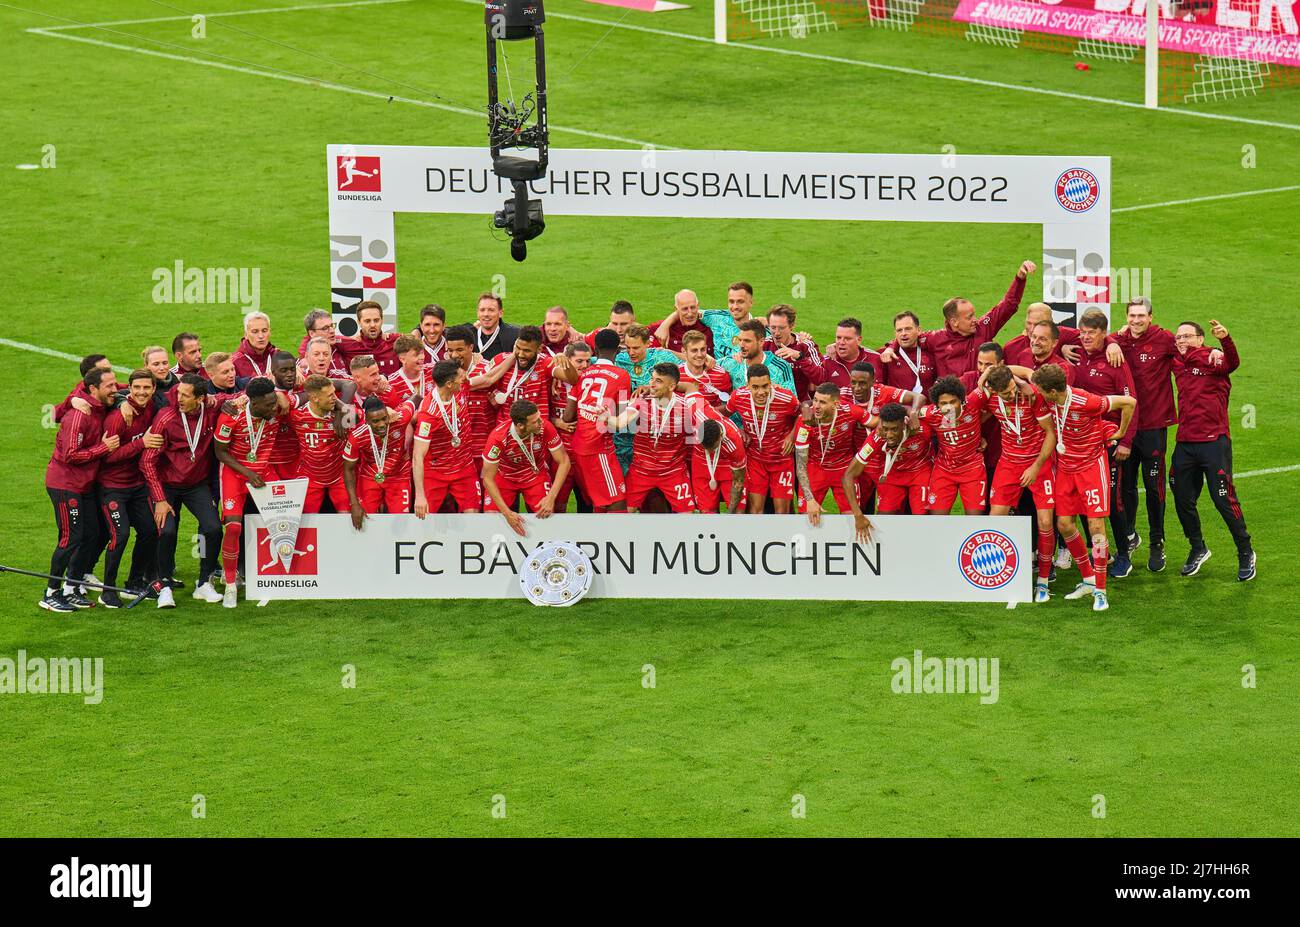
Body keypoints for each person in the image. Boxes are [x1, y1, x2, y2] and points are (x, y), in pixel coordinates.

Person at [1030, 363, 1136, 612]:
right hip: (1066, 468)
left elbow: (1128, 402)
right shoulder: (1051, 399)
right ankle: (1088, 578)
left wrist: (1120, 431)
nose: (1040, 396)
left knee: (1096, 526)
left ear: (1053, 391)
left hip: (1090, 467)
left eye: (1043, 392)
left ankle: (1101, 589)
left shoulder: (1087, 401)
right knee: (1064, 524)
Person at [1169, 320, 1254, 581]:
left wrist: (1225, 340)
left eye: (1187, 336)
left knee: (1223, 500)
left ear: (1200, 338)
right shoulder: (1176, 361)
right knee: (1181, 496)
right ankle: (1198, 548)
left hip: (1214, 442)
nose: (1181, 340)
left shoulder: (1211, 357)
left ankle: (1245, 551)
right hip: (1185, 442)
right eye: (1178, 337)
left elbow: (1232, 363)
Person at [975, 365, 1058, 603]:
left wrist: (1036, 466)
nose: (1012, 396)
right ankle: (999, 574)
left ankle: (1043, 580)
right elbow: (971, 414)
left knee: (1044, 521)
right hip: (1009, 464)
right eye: (1006, 394)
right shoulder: (989, 399)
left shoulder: (1031, 395)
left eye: (1012, 389)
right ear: (994, 391)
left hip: (1038, 462)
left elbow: (1050, 433)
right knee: (995, 517)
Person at [141, 374, 225, 607]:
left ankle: (204, 582)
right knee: (166, 532)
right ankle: (165, 585)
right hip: (167, 486)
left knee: (213, 528)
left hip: (196, 485)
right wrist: (159, 498)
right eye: (178, 393)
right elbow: (147, 461)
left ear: (200, 398)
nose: (178, 398)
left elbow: (235, 397)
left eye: (185, 395)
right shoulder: (166, 417)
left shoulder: (211, 408)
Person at [41, 367, 120, 612]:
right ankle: (51, 592)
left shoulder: (99, 406)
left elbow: (131, 392)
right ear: (93, 389)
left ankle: (71, 587)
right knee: (70, 537)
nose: (115, 390)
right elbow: (70, 455)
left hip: (84, 484)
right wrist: (103, 448)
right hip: (66, 485)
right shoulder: (79, 415)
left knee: (91, 534)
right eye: (110, 386)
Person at [880, 260, 1035, 378]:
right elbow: (908, 337)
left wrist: (1020, 277)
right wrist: (890, 347)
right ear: (954, 322)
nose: (975, 319)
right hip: (949, 405)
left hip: (981, 401)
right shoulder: (935, 339)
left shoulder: (983, 328)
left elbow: (1008, 306)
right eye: (969, 317)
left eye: (974, 314)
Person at [1113, 296, 1178, 572]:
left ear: (1151, 317)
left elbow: (1188, 349)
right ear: (1126, 317)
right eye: (1132, 316)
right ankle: (1129, 536)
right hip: (1126, 426)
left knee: (1154, 487)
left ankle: (1157, 541)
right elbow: (1084, 334)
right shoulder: (1116, 339)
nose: (1136, 320)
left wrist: (1212, 351)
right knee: (1125, 486)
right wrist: (1112, 341)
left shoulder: (1165, 339)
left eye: (1141, 316)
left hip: (1153, 426)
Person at [213, 378, 288, 609]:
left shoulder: (277, 409)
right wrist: (247, 472)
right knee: (234, 527)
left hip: (264, 471)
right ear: (253, 403)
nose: (274, 408)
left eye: (274, 402)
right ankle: (230, 585)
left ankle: (280, 579)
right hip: (236, 473)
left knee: (284, 518)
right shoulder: (231, 415)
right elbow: (220, 452)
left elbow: (307, 395)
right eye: (268, 405)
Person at [1075, 309, 1140, 577]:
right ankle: (1099, 550)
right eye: (1083, 332)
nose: (1086, 337)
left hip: (1108, 440)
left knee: (1112, 502)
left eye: (1092, 332)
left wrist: (1125, 441)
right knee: (1081, 500)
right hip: (1080, 440)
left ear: (1104, 333)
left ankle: (1124, 553)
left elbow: (1131, 402)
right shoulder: (1075, 352)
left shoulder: (1115, 361)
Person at [96, 369, 165, 607]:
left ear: (154, 389)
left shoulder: (153, 408)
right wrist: (140, 443)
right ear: (130, 389)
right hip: (113, 487)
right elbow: (107, 458)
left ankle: (134, 581)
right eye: (137, 388)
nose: (142, 392)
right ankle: (107, 589)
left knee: (150, 530)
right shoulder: (118, 417)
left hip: (137, 486)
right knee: (121, 534)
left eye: (147, 388)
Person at [561, 329, 630, 512]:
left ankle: (598, 539)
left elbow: (567, 417)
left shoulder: (583, 374)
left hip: (578, 446)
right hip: (599, 449)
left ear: (595, 350)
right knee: (618, 501)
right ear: (618, 350)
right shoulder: (622, 376)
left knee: (600, 502)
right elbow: (624, 423)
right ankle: (615, 541)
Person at [616, 363, 698, 513]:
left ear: (672, 386)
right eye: (652, 379)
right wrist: (605, 417)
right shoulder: (642, 401)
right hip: (641, 470)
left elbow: (701, 430)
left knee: (688, 514)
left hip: (673, 471)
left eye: (658, 381)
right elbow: (620, 422)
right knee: (624, 511)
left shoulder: (685, 408)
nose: (651, 384)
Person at [481, 399, 570, 533]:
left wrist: (551, 497)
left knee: (546, 514)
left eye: (539, 417)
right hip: (505, 477)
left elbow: (564, 461)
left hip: (534, 475)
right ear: (520, 425)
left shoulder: (545, 427)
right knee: (491, 519)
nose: (541, 422)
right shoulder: (498, 438)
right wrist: (507, 513)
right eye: (535, 422)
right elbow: (488, 478)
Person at [726, 363, 802, 514]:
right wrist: (738, 430)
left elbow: (802, 415)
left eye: (765, 386)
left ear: (770, 383)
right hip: (755, 460)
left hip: (781, 460)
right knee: (755, 512)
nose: (761, 392)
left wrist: (792, 436)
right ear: (747, 385)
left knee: (782, 513)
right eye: (755, 387)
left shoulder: (786, 398)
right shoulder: (738, 397)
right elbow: (724, 417)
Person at [412, 361, 483, 517]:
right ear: (449, 384)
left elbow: (489, 378)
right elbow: (418, 456)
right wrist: (420, 496)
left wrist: (513, 355)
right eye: (459, 377)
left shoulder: (460, 388)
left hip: (464, 467)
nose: (463, 379)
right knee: (425, 518)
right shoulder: (429, 414)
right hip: (436, 471)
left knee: (474, 518)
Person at [794, 382, 869, 525]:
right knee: (806, 517)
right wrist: (810, 500)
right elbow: (801, 465)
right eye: (815, 400)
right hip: (816, 468)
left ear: (836, 404)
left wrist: (908, 416)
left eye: (822, 402)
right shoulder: (805, 421)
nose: (816, 406)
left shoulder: (850, 411)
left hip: (844, 469)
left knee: (852, 517)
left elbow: (876, 423)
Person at [843, 402, 932, 517]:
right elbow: (848, 475)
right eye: (886, 429)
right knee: (885, 515)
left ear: (904, 424)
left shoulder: (921, 428)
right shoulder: (878, 437)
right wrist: (858, 514)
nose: (889, 435)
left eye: (894, 429)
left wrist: (913, 412)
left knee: (922, 515)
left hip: (920, 471)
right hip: (893, 473)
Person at [920, 376, 988, 515]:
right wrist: (913, 415)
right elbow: (908, 413)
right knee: (937, 521)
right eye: (943, 403)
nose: (949, 407)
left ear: (962, 400)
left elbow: (997, 381)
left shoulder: (973, 402)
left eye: (953, 402)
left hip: (972, 469)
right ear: (936, 404)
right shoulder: (930, 413)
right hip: (944, 470)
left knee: (975, 519)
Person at [343, 395, 413, 527]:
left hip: (399, 476)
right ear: (367, 421)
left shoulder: (400, 419)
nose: (381, 424)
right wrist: (354, 503)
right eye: (375, 421)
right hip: (370, 477)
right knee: (367, 521)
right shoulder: (357, 436)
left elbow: (415, 398)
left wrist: (395, 409)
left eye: (384, 418)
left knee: (402, 524)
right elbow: (348, 469)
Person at [289, 375, 352, 514]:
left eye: (335, 392)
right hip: (311, 478)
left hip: (338, 476)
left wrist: (341, 411)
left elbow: (362, 419)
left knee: (347, 520)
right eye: (330, 395)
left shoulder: (343, 417)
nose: (335, 397)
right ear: (314, 398)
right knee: (307, 524)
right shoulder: (296, 416)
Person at [718, 320, 795, 394]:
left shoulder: (781, 367)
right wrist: (708, 358)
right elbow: (709, 362)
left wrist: (776, 392)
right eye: (740, 340)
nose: (741, 345)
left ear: (761, 342)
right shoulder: (732, 362)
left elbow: (793, 403)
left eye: (747, 341)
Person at [765, 304, 823, 401]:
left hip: (800, 405)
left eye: (781, 328)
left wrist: (800, 357)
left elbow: (821, 378)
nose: (777, 333)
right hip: (770, 405)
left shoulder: (805, 345)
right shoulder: (764, 344)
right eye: (773, 327)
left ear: (792, 326)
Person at [691, 415, 747, 514]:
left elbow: (738, 481)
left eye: (712, 447)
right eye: (705, 446)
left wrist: (730, 511)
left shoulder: (735, 445)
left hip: (728, 466)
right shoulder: (697, 411)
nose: (709, 450)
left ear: (720, 436)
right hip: (702, 463)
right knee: (706, 512)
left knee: (738, 512)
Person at [337, 300, 401, 376]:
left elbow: (416, 341)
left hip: (393, 387)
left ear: (382, 320)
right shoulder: (348, 344)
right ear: (359, 322)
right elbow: (324, 339)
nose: (372, 325)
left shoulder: (396, 341)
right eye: (367, 321)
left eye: (376, 320)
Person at [879, 311, 937, 395]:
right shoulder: (886, 355)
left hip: (928, 407)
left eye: (908, 329)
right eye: (899, 330)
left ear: (919, 330)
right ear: (895, 333)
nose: (903, 333)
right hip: (899, 407)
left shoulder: (931, 351)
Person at [820, 317, 882, 390]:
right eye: (838, 338)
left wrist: (891, 348)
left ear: (859, 340)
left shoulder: (876, 358)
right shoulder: (826, 362)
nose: (841, 342)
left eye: (847, 338)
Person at [677, 331, 732, 410]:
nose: (699, 355)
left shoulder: (721, 375)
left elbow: (727, 405)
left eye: (702, 349)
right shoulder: (676, 375)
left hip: (711, 420)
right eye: (694, 350)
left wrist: (705, 414)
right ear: (684, 351)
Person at [700, 281, 756, 358]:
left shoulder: (760, 330)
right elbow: (687, 311)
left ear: (751, 302)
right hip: (716, 368)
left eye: (740, 301)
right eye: (731, 302)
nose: (735, 306)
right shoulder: (717, 318)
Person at [652, 289, 715, 356]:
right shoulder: (662, 329)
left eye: (693, 307)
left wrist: (669, 353)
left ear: (698, 305)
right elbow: (640, 335)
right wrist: (664, 325)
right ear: (676, 309)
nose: (690, 313)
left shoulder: (711, 326)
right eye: (685, 309)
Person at [470, 292, 519, 360]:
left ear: (500, 313)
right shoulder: (469, 336)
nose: (486, 314)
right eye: (482, 310)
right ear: (477, 313)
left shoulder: (514, 335)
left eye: (491, 310)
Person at [232, 310, 277, 379]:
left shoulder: (278, 356)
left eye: (264, 331)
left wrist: (295, 368)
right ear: (246, 335)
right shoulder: (235, 362)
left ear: (269, 332)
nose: (261, 336)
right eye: (255, 332)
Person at [386, 334, 428, 406]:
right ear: (403, 359)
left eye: (422, 353)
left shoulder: (433, 372)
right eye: (416, 355)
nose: (422, 357)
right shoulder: (392, 383)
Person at [415, 304, 449, 368]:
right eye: (427, 325)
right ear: (421, 326)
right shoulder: (413, 350)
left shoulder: (452, 348)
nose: (432, 330)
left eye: (436, 325)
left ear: (444, 326)